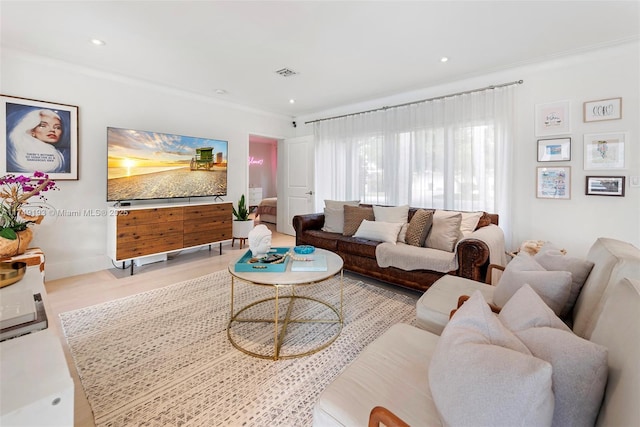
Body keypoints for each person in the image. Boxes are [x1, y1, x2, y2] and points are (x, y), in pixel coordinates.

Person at [6, 108, 67, 173]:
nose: (52, 130)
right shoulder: (20, 157)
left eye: (57, 127)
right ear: (32, 130)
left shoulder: (62, 155)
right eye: (43, 125)